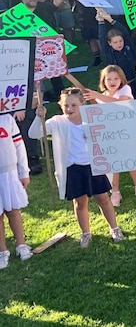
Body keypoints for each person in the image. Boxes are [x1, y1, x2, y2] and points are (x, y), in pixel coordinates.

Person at [30, 88, 125, 247]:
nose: (70, 109)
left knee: (103, 198)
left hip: (94, 165)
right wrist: (38, 117)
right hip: (73, 168)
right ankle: (85, 233)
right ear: (60, 105)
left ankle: (114, 228)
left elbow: (110, 130)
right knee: (80, 202)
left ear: (83, 103)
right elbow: (34, 134)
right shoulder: (58, 122)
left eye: (74, 105)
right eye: (66, 105)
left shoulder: (92, 118)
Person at [83, 65, 136, 207]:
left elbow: (121, 103)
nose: (112, 81)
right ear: (103, 80)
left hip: (127, 132)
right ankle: (115, 191)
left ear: (121, 80)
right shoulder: (101, 96)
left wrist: (97, 96)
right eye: (109, 79)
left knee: (131, 159)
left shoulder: (125, 90)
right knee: (113, 163)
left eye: (116, 78)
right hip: (109, 135)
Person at [0, 113, 32, 268]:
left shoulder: (7, 119)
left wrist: (23, 172)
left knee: (13, 210)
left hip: (9, 173)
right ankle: (2, 251)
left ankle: (21, 245)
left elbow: (19, 146)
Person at [97, 10, 136, 98]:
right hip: (118, 84)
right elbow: (102, 37)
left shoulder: (127, 48)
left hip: (131, 80)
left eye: (120, 41)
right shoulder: (108, 51)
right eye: (115, 42)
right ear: (109, 43)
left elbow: (125, 32)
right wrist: (101, 22)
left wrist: (111, 20)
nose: (119, 44)